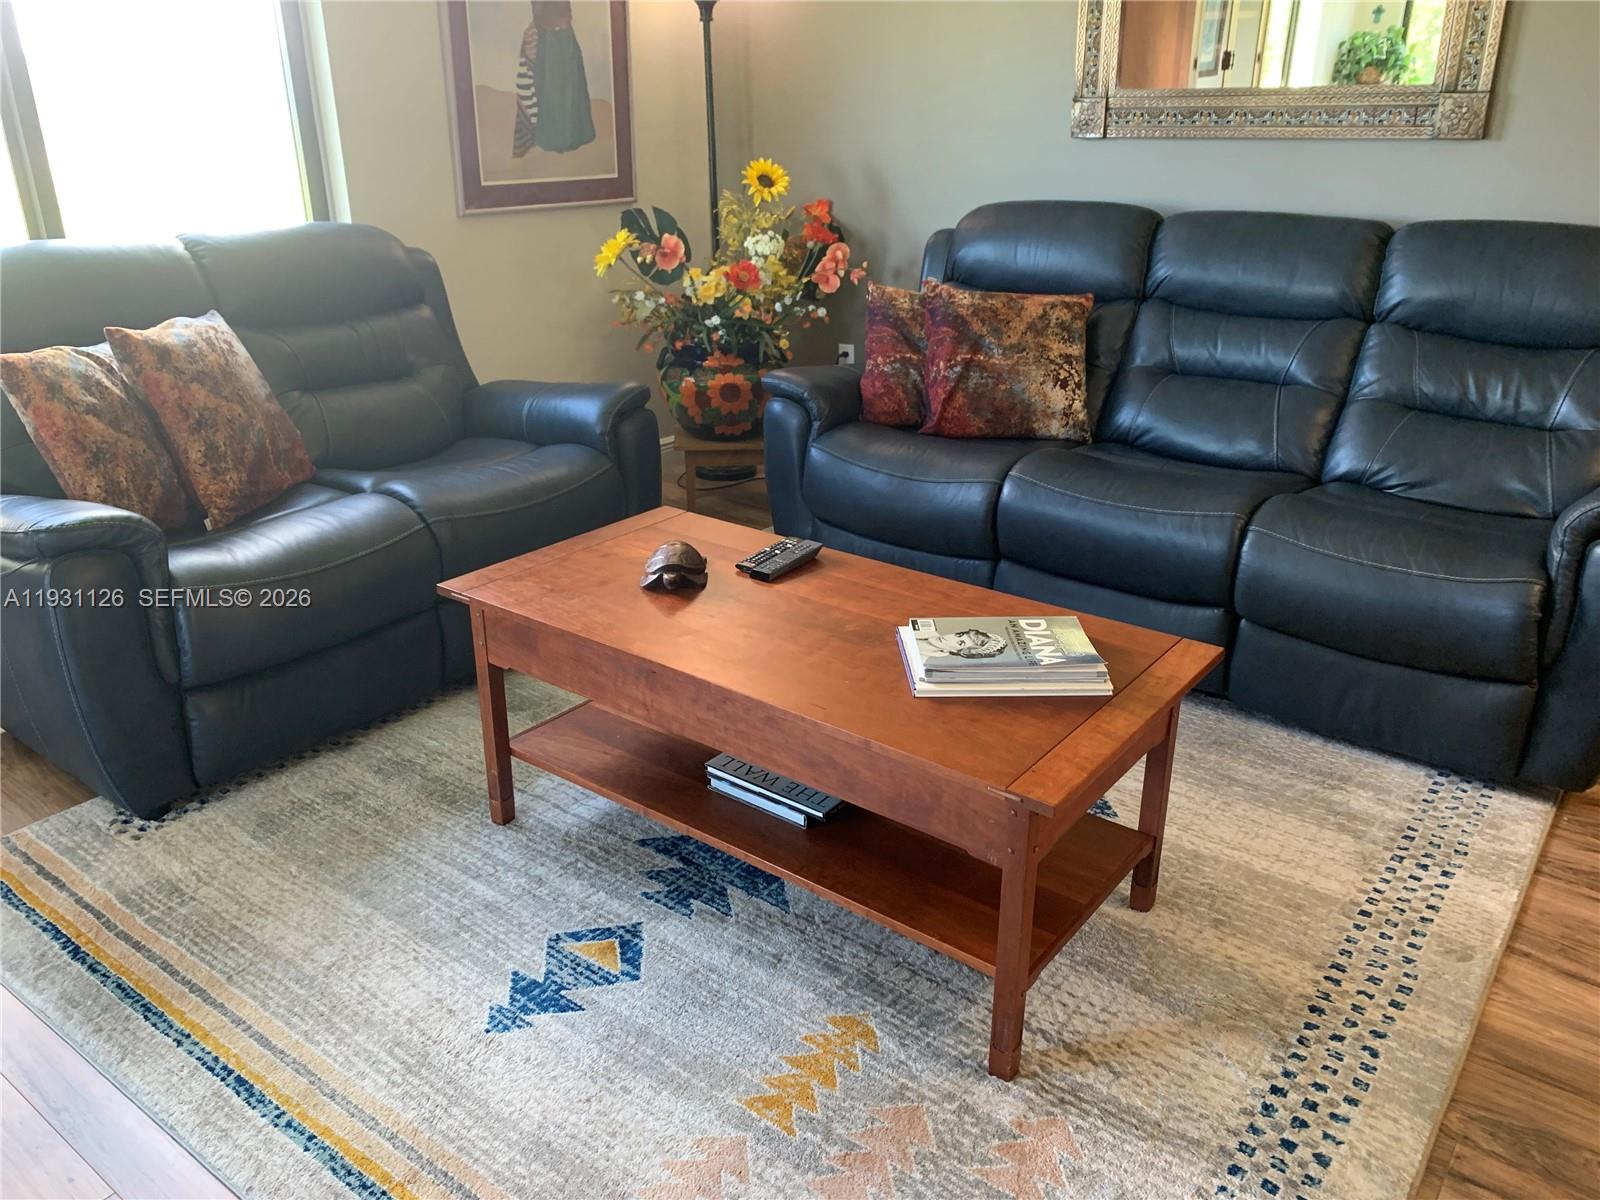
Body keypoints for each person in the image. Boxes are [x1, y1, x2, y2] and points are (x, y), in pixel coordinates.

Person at [513, 1, 597, 158]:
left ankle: (571, 136)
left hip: (563, 35)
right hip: (545, 37)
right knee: (548, 89)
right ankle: (550, 138)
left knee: (571, 89)